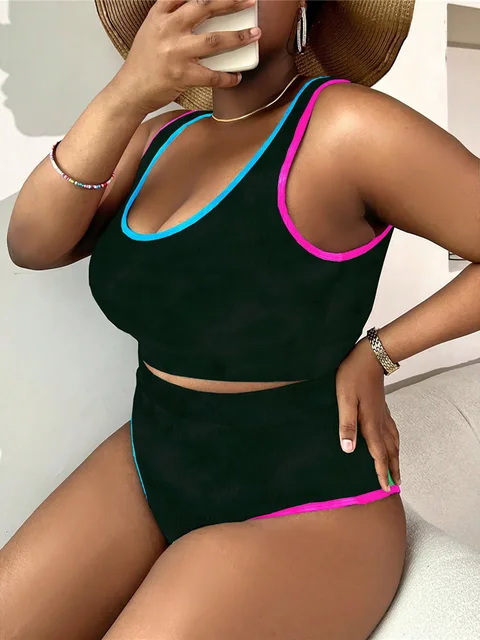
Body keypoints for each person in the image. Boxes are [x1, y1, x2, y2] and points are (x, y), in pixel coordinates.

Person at [2, 1, 480, 638]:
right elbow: (32, 245)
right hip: (152, 456)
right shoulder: (156, 136)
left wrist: (381, 352)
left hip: (312, 504)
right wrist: (128, 93)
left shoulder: (347, 127)